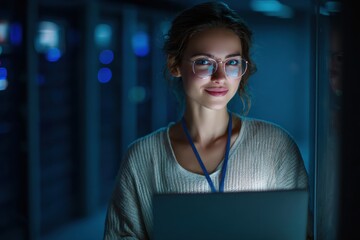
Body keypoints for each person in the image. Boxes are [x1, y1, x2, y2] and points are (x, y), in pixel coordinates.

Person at [103, 1, 309, 239]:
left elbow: (302, 232)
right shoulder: (142, 157)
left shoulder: (276, 146)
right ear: (175, 65)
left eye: (231, 62)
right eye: (204, 62)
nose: (220, 77)